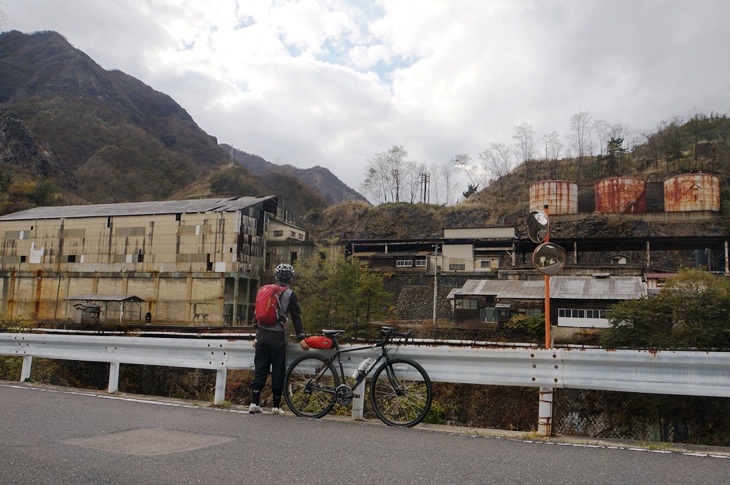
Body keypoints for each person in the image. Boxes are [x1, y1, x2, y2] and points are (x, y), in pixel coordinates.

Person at [250, 263, 309, 414]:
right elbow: (296, 317)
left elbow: (257, 314)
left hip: (262, 335)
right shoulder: (290, 294)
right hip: (278, 338)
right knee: (278, 370)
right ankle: (276, 406)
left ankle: (254, 403)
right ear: (290, 278)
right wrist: (301, 337)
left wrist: (256, 336)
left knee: (260, 369)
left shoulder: (264, 290)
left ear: (276, 276)